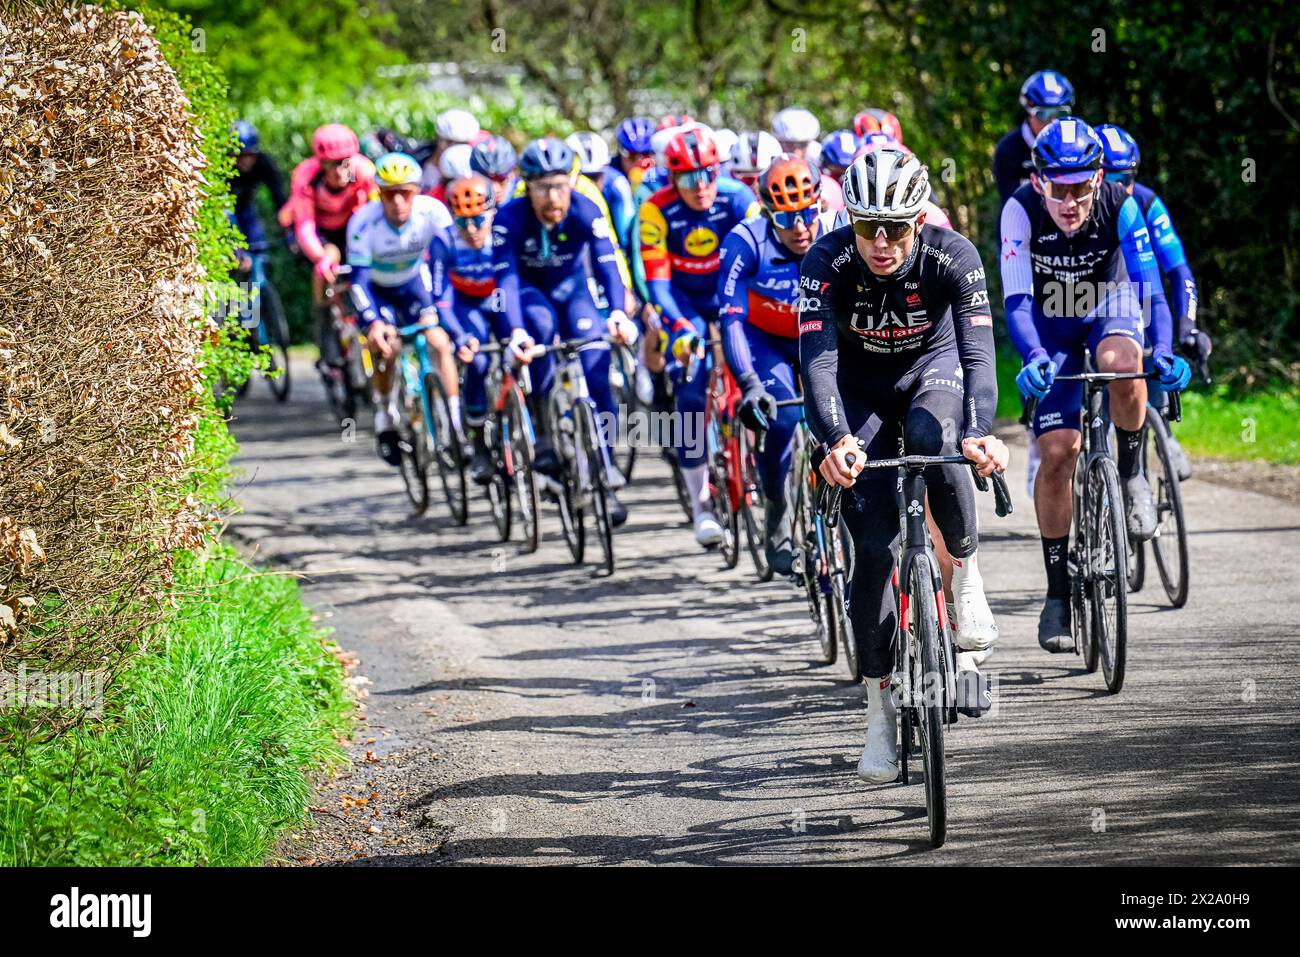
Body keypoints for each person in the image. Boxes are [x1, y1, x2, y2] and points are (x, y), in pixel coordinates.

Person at [799, 146, 1007, 784]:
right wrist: (834, 440)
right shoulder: (825, 262)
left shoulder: (955, 255)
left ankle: (965, 576)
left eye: (895, 228)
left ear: (920, 220)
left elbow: (978, 353)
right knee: (872, 551)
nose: (881, 242)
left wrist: (980, 433)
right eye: (867, 227)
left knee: (935, 437)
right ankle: (878, 717)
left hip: (930, 372)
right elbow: (818, 364)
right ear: (851, 223)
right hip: (858, 391)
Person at [1001, 117, 1192, 653]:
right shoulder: (1018, 209)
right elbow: (1015, 300)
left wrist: (1166, 350)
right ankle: (1058, 592)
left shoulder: (1121, 205)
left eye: (1080, 188)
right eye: (1057, 189)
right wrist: (1034, 354)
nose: (1069, 202)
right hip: (1050, 319)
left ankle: (1131, 475)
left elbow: (1151, 288)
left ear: (1099, 178)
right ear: (1039, 181)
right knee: (1058, 451)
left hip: (1110, 306)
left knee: (1123, 365)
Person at [492, 138, 639, 523]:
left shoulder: (586, 209)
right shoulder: (509, 218)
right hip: (530, 293)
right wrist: (515, 332)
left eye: (559, 184)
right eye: (541, 187)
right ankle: (543, 436)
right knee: (539, 329)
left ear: (571, 182)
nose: (552, 196)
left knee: (596, 359)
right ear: (527, 187)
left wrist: (619, 313)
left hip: (574, 290)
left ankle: (605, 463)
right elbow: (504, 281)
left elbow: (608, 264)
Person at [639, 127, 759, 546]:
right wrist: (680, 327)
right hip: (683, 300)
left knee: (757, 371)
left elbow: (759, 264)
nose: (701, 186)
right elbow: (658, 282)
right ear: (672, 179)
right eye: (688, 178)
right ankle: (701, 506)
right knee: (691, 394)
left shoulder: (738, 198)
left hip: (732, 291)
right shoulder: (655, 210)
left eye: (708, 173)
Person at [718, 155, 822, 574]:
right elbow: (730, 319)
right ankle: (777, 508)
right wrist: (748, 382)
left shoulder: (836, 230)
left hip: (819, 334)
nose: (799, 227)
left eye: (807, 213)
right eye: (785, 218)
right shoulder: (744, 242)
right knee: (782, 417)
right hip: (766, 342)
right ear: (766, 213)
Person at [1097, 122, 1208, 481]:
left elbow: (1179, 271)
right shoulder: (1081, 205)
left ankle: (1162, 432)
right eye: (1109, 178)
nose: (1119, 189)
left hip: (1141, 295)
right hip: (1095, 299)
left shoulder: (1146, 201)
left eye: (1125, 177)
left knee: (1155, 342)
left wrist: (1188, 327)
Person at [344, 152, 455, 466]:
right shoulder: (364, 223)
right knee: (388, 347)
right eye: (390, 194)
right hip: (378, 292)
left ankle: (455, 426)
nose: (398, 202)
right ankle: (385, 413)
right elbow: (359, 282)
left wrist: (438, 304)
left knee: (439, 342)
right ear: (379, 193)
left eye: (405, 193)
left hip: (412, 284)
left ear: (416, 191)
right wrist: (373, 323)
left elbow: (448, 261)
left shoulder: (432, 211)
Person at [283, 124, 377, 370]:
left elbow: (375, 212)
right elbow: (304, 225)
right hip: (320, 231)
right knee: (328, 260)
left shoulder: (364, 171)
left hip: (352, 226)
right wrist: (320, 259)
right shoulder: (306, 175)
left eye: (344, 162)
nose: (339, 171)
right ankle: (324, 322)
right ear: (321, 163)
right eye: (331, 164)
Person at [435, 175, 503, 485]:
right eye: (463, 222)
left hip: (500, 297)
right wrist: (459, 336)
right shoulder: (445, 241)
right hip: (464, 302)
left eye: (478, 220)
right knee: (477, 361)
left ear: (491, 212)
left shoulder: (504, 232)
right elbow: (442, 299)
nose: (472, 230)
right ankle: (479, 446)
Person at [993, 70, 1073, 203]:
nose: (1052, 121)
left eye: (1060, 114)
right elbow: (1012, 201)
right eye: (1043, 114)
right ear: (1029, 112)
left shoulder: (1079, 145)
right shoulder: (1007, 150)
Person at [229, 120, 288, 287]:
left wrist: (287, 229)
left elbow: (279, 198)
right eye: (240, 156)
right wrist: (236, 246)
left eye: (250, 155)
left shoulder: (264, 163)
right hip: (226, 213)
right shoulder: (223, 169)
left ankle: (261, 294)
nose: (245, 161)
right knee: (235, 256)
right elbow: (223, 211)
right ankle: (231, 303)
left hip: (246, 210)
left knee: (259, 249)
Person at [469, 135, 520, 208]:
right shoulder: (467, 198)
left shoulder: (526, 195)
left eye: (501, 178)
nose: (495, 188)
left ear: (514, 172)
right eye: (487, 179)